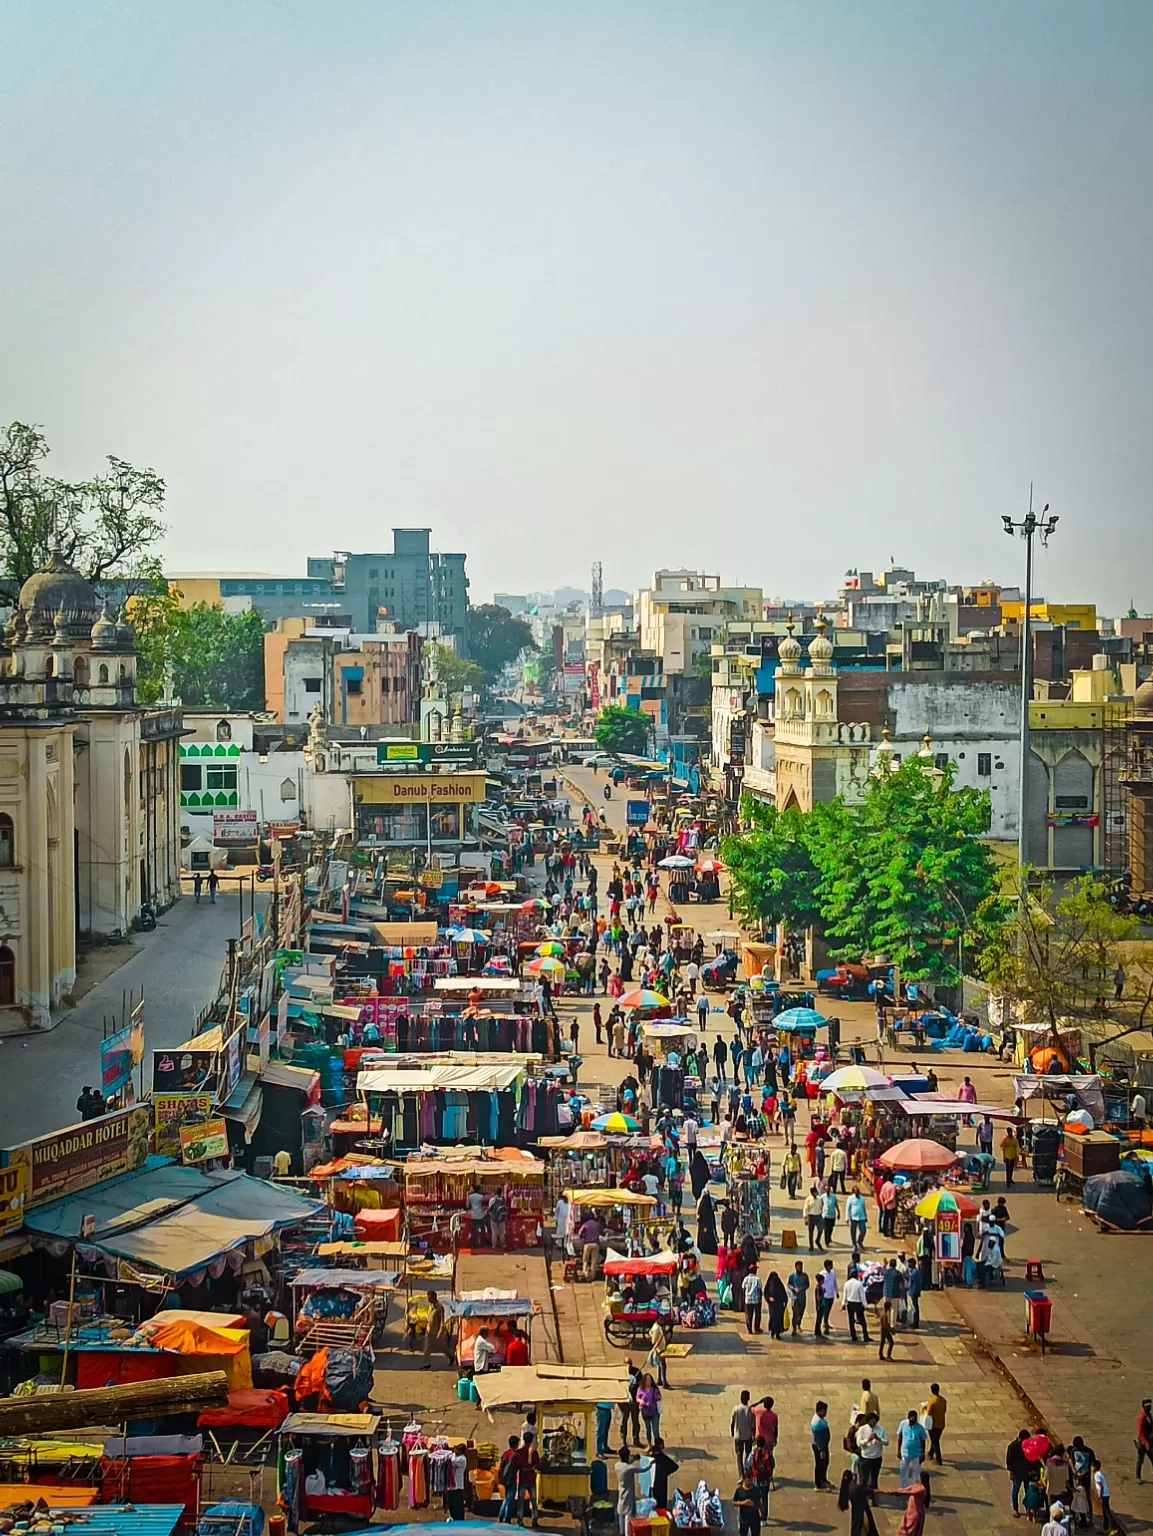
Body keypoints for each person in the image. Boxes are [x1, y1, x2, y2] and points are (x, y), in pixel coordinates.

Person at [1006, 1429, 1040, 1517]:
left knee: (1022, 1491)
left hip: (1023, 1472)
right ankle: (1023, 1508)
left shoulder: (1012, 1446)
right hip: (1022, 1472)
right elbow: (1010, 1460)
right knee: (1022, 1490)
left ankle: (1020, 1509)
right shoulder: (1013, 1447)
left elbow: (1009, 1461)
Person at [856, 1413, 888, 1501]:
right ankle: (862, 1497)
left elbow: (886, 1442)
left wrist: (878, 1439)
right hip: (865, 1458)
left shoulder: (881, 1429)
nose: (872, 1423)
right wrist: (868, 1440)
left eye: (874, 1422)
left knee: (874, 1479)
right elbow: (858, 1443)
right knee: (863, 1479)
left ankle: (872, 1497)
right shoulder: (862, 1429)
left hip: (876, 1458)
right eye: (870, 1422)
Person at [897, 1410, 928, 1487]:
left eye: (914, 1419)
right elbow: (899, 1437)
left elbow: (923, 1441)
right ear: (908, 1418)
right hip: (905, 1452)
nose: (913, 1421)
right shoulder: (903, 1424)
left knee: (916, 1472)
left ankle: (915, 1487)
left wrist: (923, 1453)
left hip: (916, 1453)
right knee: (903, 1470)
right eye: (911, 1419)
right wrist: (898, 1451)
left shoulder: (920, 1428)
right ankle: (903, 1487)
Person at [615, 1447, 640, 1536]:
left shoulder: (617, 1465)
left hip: (621, 1491)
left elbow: (627, 1462)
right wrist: (651, 1464)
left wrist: (634, 1458)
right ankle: (627, 1533)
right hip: (628, 1492)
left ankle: (621, 1532)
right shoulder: (630, 1468)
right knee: (628, 1514)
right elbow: (643, 1469)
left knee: (620, 1512)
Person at [649, 1436, 679, 1510]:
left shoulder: (650, 1459)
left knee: (653, 1501)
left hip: (652, 1483)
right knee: (662, 1501)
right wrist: (665, 1473)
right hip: (662, 1483)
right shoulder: (664, 1458)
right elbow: (675, 1466)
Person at [497, 1435, 522, 1523]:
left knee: (506, 1498)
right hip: (512, 1480)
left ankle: (500, 1516)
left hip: (504, 1480)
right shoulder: (516, 1456)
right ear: (516, 1444)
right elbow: (519, 1467)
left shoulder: (505, 1453)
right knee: (509, 1500)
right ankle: (507, 1518)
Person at [731, 1390, 755, 1477]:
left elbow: (732, 1422)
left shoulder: (736, 1409)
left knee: (739, 1455)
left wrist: (732, 1432)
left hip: (738, 1435)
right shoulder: (750, 1411)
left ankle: (741, 1474)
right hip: (748, 1436)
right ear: (748, 1398)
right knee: (748, 1454)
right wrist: (753, 1436)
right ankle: (747, 1470)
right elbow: (752, 1426)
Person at [422, 1290, 448, 1370]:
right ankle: (427, 1364)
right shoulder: (431, 1306)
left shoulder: (440, 1308)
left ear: (434, 1297)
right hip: (429, 1331)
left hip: (436, 1332)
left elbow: (442, 1321)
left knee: (441, 1348)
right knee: (426, 1348)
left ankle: (451, 1355)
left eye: (430, 1298)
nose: (428, 1299)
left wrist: (440, 1331)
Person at [842, 1270, 870, 1343]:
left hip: (850, 1303)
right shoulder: (859, 1284)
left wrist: (843, 1304)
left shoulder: (847, 1283)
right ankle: (865, 1336)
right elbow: (862, 1295)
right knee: (863, 1322)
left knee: (851, 1321)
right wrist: (865, 1304)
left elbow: (844, 1294)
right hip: (858, 1304)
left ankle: (853, 1336)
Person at [732, 1468, 761, 1536]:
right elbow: (733, 1503)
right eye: (749, 1480)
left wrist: (761, 1511)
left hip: (755, 1519)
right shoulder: (739, 1491)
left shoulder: (756, 1489)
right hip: (744, 1520)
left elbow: (759, 1501)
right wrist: (743, 1503)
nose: (751, 1482)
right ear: (744, 1480)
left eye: (752, 1480)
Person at [811, 1400, 833, 1489]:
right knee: (820, 1464)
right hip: (820, 1447)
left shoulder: (820, 1419)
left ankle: (823, 1479)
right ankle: (819, 1484)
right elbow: (817, 1438)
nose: (825, 1413)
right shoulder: (817, 1422)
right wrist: (821, 1450)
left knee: (825, 1462)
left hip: (823, 1445)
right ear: (819, 1411)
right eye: (824, 1411)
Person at [445, 1441, 469, 1521]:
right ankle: (453, 1517)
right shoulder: (455, 1456)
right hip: (451, 1486)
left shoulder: (462, 1459)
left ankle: (459, 1519)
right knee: (451, 1504)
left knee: (457, 1505)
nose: (455, 1451)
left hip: (457, 1486)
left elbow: (452, 1462)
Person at [924, 1385, 947, 1464]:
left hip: (933, 1424)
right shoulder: (943, 1400)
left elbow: (929, 1412)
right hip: (941, 1423)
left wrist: (925, 1407)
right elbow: (944, 1410)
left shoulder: (932, 1401)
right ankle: (930, 1453)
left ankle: (938, 1459)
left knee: (935, 1441)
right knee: (935, 1440)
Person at [637, 1372, 661, 1445]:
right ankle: (649, 1444)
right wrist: (641, 1401)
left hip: (654, 1411)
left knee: (655, 1429)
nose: (648, 1381)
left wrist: (658, 1397)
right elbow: (637, 1398)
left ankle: (657, 1445)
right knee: (648, 1429)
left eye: (649, 1380)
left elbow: (659, 1397)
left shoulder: (655, 1388)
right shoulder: (640, 1389)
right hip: (645, 1411)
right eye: (647, 1380)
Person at [815, 1259, 837, 1338]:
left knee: (828, 1311)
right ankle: (826, 1325)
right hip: (825, 1296)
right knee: (825, 1311)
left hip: (831, 1295)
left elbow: (834, 1282)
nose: (832, 1267)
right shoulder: (822, 1274)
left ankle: (825, 1322)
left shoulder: (833, 1273)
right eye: (830, 1265)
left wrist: (836, 1291)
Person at [1091, 1460, 1114, 1532]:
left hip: (1103, 1495)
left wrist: (1099, 1497)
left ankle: (1112, 1527)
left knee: (1107, 1512)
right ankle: (1105, 1528)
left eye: (1092, 1467)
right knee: (1105, 1512)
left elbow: (1100, 1486)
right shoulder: (1099, 1474)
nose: (1091, 1468)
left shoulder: (1097, 1475)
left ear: (1094, 1467)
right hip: (1106, 1494)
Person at [788, 1260, 810, 1335]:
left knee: (801, 1313)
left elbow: (807, 1285)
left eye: (801, 1267)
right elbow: (789, 1284)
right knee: (795, 1313)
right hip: (794, 1298)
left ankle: (799, 1324)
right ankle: (794, 1328)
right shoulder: (792, 1276)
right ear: (795, 1267)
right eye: (798, 1267)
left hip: (802, 1297)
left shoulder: (805, 1276)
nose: (799, 1268)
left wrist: (801, 1288)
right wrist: (793, 1288)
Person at [579, 1211, 602, 1280]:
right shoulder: (597, 1224)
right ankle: (592, 1276)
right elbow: (602, 1232)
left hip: (587, 1244)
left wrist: (584, 1236)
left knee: (585, 1260)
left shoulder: (585, 1224)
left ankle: (585, 1274)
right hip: (595, 1244)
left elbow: (580, 1234)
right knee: (594, 1261)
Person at [647, 1316, 669, 1386]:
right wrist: (658, 1342)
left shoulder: (656, 1326)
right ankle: (664, 1383)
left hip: (660, 1348)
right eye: (660, 1319)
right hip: (659, 1349)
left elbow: (649, 1332)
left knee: (660, 1365)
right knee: (663, 1365)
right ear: (657, 1320)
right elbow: (653, 1341)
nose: (662, 1321)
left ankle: (659, 1380)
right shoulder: (656, 1328)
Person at [766, 1271, 788, 1340]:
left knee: (778, 1320)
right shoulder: (769, 1285)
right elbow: (766, 1293)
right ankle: (773, 1332)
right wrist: (769, 1298)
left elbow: (784, 1295)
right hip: (772, 1306)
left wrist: (785, 1303)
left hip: (779, 1305)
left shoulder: (779, 1285)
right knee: (773, 1318)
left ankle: (777, 1333)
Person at [804, 1186, 825, 1252]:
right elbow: (805, 1209)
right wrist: (805, 1218)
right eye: (815, 1192)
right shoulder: (808, 1199)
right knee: (811, 1232)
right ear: (812, 1193)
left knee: (821, 1229)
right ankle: (811, 1245)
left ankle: (817, 1240)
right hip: (811, 1216)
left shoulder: (819, 1198)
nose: (816, 1193)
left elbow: (821, 1206)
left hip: (818, 1216)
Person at [1137, 1397, 1153, 1479]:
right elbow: (1140, 1433)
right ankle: (1138, 1476)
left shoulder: (1149, 1415)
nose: (1149, 1408)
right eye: (1148, 1407)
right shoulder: (1141, 1417)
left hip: (1150, 1441)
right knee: (1140, 1460)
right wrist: (1146, 1444)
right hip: (1143, 1442)